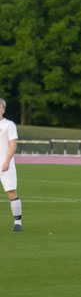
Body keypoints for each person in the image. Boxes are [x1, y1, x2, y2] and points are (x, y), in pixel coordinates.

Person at [0, 98, 22, 232]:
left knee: (11, 193)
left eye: (0, 107)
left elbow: (13, 145)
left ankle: (18, 222)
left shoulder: (9, 125)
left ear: (3, 109)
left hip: (6, 164)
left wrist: (7, 161)